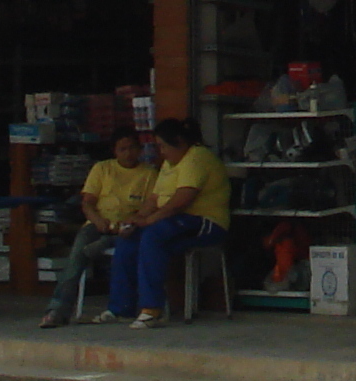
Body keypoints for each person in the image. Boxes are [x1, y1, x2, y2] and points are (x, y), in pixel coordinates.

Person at [109, 118, 231, 327]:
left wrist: (149, 220)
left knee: (153, 235)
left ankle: (152, 308)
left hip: (205, 222)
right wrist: (137, 219)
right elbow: (154, 198)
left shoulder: (196, 157)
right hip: (176, 223)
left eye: (163, 146)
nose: (161, 152)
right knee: (130, 239)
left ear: (179, 142)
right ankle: (121, 308)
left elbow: (181, 201)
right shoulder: (169, 163)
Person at [37, 129, 152, 329]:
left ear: (140, 149)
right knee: (76, 258)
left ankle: (105, 243)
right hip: (98, 224)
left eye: (132, 148)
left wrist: (131, 222)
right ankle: (57, 310)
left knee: (124, 241)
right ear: (114, 151)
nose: (128, 153)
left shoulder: (149, 173)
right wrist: (97, 220)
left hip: (129, 228)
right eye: (122, 149)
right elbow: (87, 203)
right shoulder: (102, 169)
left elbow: (149, 207)